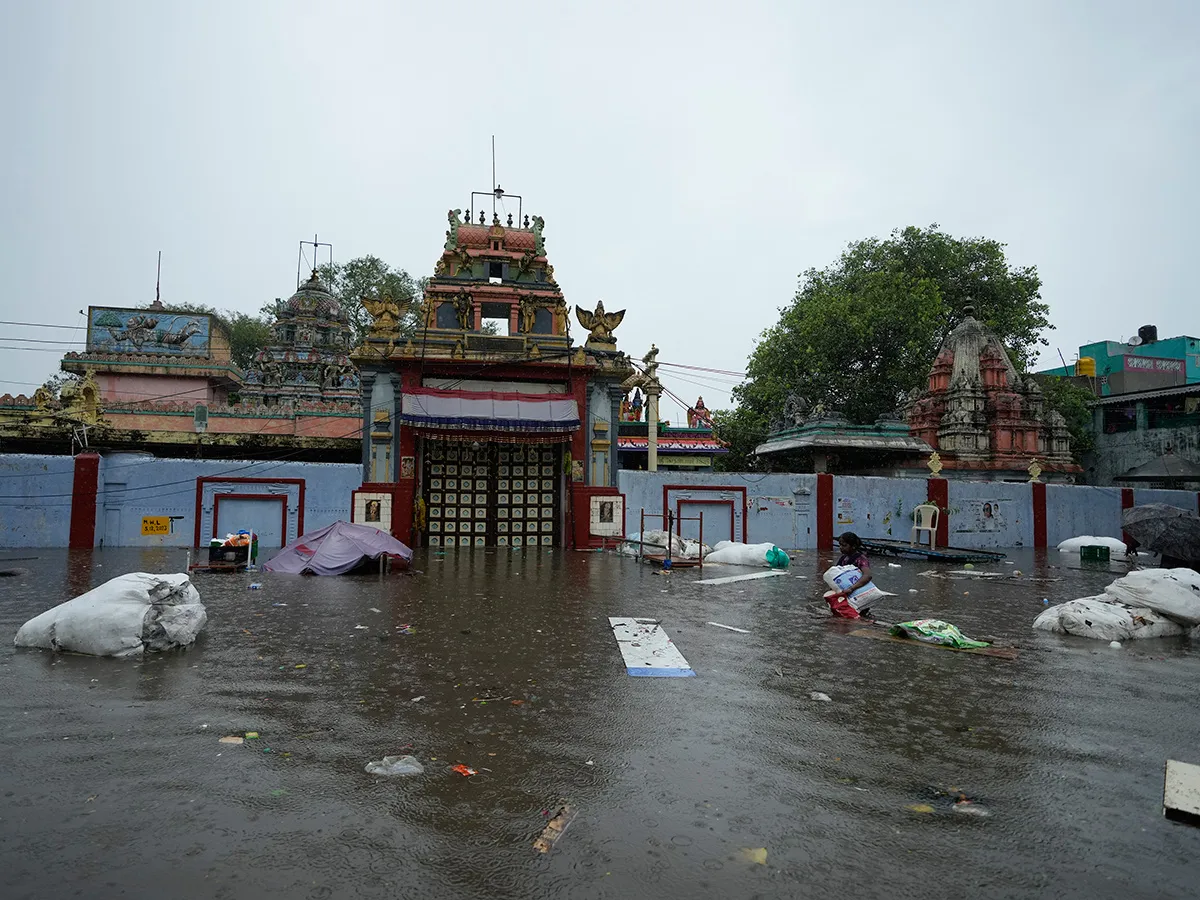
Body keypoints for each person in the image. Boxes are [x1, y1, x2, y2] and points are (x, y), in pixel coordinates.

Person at [825, 532, 875, 620]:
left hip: (857, 593)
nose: (841, 548)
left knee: (860, 617)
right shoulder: (843, 558)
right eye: (840, 545)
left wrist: (852, 588)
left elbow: (868, 575)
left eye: (844, 545)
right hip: (846, 594)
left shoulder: (860, 559)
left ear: (853, 546)